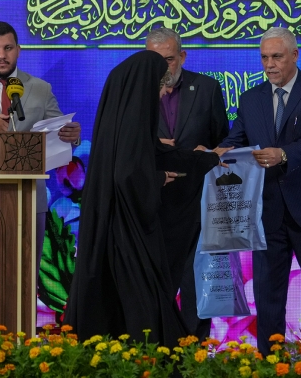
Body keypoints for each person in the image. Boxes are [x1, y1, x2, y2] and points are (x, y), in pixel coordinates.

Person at [64, 51, 222, 345]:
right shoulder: (134, 120)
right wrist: (158, 178)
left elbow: (157, 154)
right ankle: (147, 357)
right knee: (142, 305)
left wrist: (208, 158)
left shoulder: (122, 119)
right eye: (160, 86)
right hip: (126, 234)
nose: (163, 94)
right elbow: (127, 176)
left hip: (115, 227)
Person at [216, 27, 301, 355]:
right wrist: (218, 152)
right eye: (264, 58)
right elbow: (236, 139)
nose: (269, 64)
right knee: (268, 294)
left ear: (294, 55)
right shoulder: (251, 98)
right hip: (267, 211)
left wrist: (283, 154)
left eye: (276, 57)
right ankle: (270, 362)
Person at [0, 21, 81, 276]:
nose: (2, 55)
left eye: (7, 48)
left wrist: (72, 136)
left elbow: (59, 130)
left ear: (18, 50)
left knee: (25, 273)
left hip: (29, 195)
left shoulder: (40, 89)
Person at [146, 27, 229, 341]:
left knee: (196, 288)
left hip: (196, 204)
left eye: (168, 59)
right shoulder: (136, 93)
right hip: (152, 203)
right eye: (154, 60)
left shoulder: (206, 88)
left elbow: (224, 142)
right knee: (156, 286)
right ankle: (156, 352)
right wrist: (155, 147)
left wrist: (208, 153)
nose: (162, 68)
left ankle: (195, 355)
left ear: (182, 56)